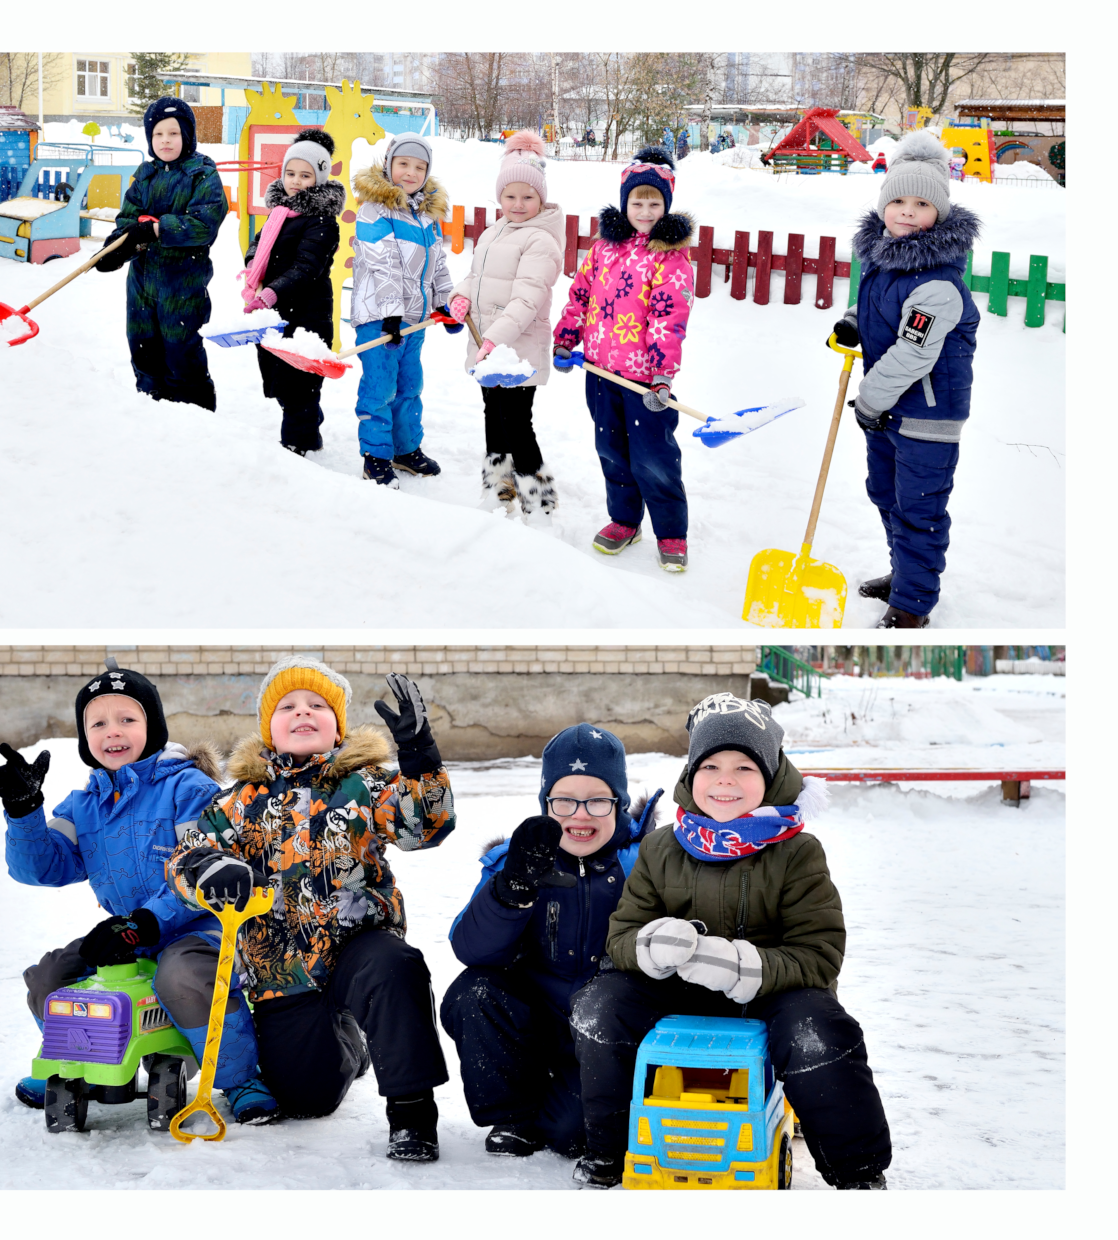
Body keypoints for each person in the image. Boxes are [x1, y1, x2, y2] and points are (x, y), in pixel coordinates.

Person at [568, 694, 892, 1189]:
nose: (725, 780)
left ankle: (859, 1172)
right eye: (711, 766)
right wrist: (652, 946)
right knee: (599, 1007)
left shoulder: (798, 852)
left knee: (818, 1031)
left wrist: (745, 967)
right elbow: (622, 935)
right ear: (691, 774)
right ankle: (611, 1151)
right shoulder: (661, 847)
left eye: (744, 767)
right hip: (676, 988)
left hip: (772, 993)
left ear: (771, 776)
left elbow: (819, 953)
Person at [165, 657, 456, 1160]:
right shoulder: (237, 803)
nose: (302, 712)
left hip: (361, 948)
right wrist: (208, 869)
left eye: (317, 705)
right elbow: (184, 859)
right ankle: (351, 1043)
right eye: (288, 707)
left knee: (396, 968)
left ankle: (411, 1113)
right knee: (306, 1099)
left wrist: (419, 756)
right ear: (269, 730)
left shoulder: (367, 784)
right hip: (283, 969)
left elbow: (425, 828)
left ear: (338, 727)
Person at [0, 663, 284, 1121]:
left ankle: (239, 1076)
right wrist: (24, 810)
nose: (113, 731)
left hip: (202, 927)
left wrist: (145, 922)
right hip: (127, 932)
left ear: (154, 727)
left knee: (183, 976)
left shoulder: (188, 789)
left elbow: (202, 870)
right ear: (85, 737)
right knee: (51, 977)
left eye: (127, 719)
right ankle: (70, 1057)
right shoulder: (84, 805)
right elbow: (43, 868)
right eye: (98, 723)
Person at [441, 724, 658, 1159]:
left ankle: (565, 1103)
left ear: (618, 802)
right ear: (546, 804)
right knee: (474, 990)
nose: (580, 815)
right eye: (564, 801)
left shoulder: (646, 862)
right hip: (535, 1026)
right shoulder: (517, 861)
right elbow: (472, 950)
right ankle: (514, 1115)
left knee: (571, 1136)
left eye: (597, 801)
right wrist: (511, 892)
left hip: (606, 1033)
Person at [830, 130, 981, 628]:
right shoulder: (888, 259)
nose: (907, 212)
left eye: (922, 203)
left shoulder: (939, 282)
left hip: (926, 416)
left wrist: (869, 400)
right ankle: (904, 575)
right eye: (897, 201)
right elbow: (879, 306)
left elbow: (913, 354)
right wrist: (853, 321)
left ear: (940, 212)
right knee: (885, 494)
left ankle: (913, 606)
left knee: (919, 509)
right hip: (888, 409)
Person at [553, 147, 696, 572]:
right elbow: (580, 296)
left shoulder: (670, 257)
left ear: (666, 206)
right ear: (624, 203)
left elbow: (669, 319)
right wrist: (566, 338)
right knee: (611, 449)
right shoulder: (603, 249)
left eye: (654, 203)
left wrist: (662, 376)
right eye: (637, 202)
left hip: (645, 382)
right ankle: (625, 521)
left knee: (654, 458)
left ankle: (670, 532)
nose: (645, 212)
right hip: (600, 372)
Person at [453, 131, 566, 520]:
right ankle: (499, 488)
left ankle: (540, 502)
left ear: (541, 198)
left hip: (517, 352)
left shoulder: (541, 241)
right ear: (499, 197)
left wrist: (493, 341)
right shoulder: (493, 232)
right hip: (487, 347)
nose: (518, 204)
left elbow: (526, 301)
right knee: (493, 415)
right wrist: (461, 295)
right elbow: (477, 277)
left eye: (527, 197)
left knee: (517, 423)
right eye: (510, 196)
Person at [97, 96, 228, 409]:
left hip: (182, 285)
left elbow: (204, 225)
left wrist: (158, 229)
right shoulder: (145, 176)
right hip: (141, 284)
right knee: (143, 349)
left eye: (173, 133)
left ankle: (195, 415)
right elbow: (128, 221)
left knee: (181, 353)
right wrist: (117, 248)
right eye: (158, 134)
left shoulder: (202, 175)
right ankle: (150, 409)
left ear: (187, 136)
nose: (165, 140)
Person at [349, 136, 460, 486]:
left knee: (410, 385)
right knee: (380, 388)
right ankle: (376, 457)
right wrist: (391, 314)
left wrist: (445, 301)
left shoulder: (426, 215)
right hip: (379, 318)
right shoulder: (374, 210)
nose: (411, 172)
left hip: (414, 321)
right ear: (389, 165)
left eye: (419, 167)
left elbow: (437, 263)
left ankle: (405, 449)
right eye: (404, 164)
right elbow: (383, 265)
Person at [241, 129, 345, 455]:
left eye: (305, 175)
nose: (296, 181)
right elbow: (258, 245)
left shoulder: (322, 221)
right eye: (290, 173)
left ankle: (299, 443)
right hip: (275, 312)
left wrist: (271, 292)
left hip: (306, 315)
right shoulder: (280, 213)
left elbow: (306, 267)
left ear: (319, 178)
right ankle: (307, 419)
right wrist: (253, 269)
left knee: (299, 381)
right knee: (278, 380)